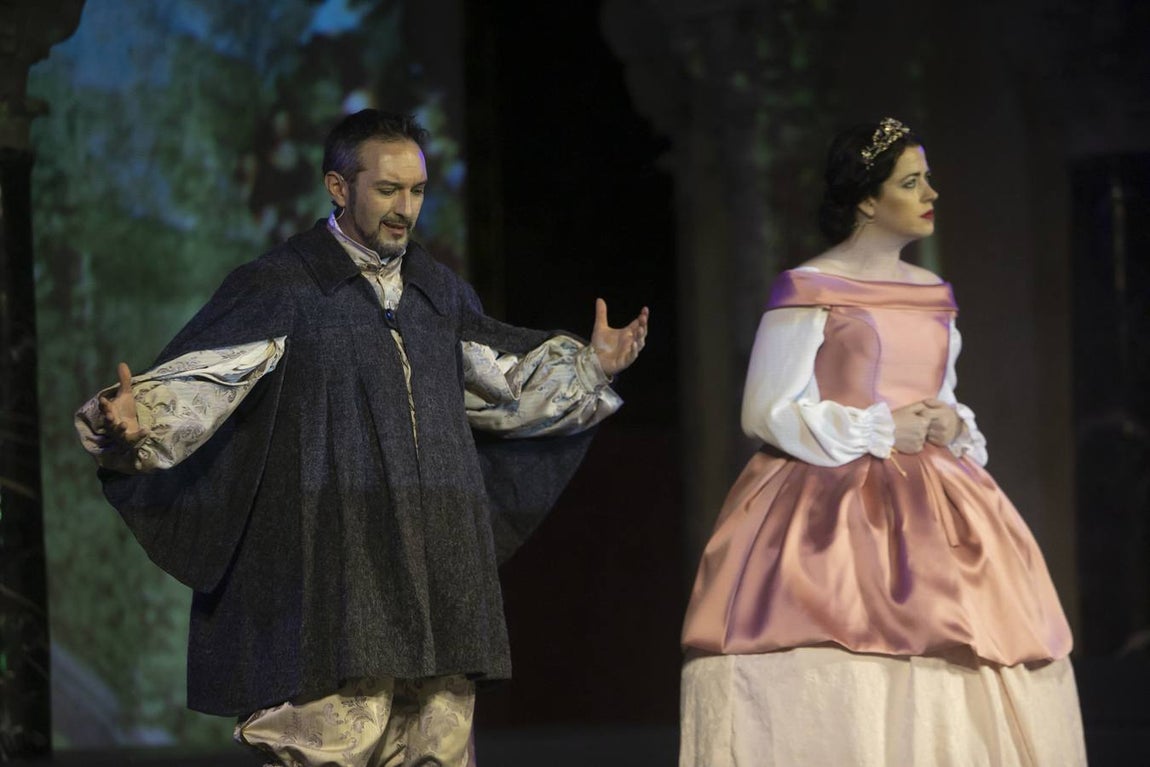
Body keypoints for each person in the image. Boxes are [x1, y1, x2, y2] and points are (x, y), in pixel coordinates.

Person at [74, 109, 649, 767]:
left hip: (438, 568)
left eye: (418, 190)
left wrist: (590, 366)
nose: (405, 209)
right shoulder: (286, 285)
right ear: (338, 187)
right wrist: (135, 416)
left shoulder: (438, 293)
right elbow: (208, 379)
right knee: (328, 744)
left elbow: (506, 387)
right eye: (387, 189)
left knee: (435, 744)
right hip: (333, 572)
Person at [679, 118, 1085, 766]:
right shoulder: (809, 287)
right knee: (837, 658)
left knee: (967, 644)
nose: (931, 194)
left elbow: (942, 389)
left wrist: (952, 423)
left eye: (928, 179)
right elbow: (764, 409)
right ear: (868, 199)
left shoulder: (934, 294)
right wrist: (874, 427)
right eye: (911, 182)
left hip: (940, 504)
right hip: (827, 499)